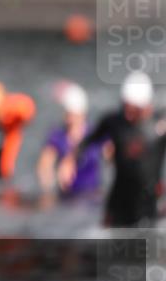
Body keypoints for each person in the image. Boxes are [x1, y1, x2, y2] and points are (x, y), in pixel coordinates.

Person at [60, 71, 166, 228]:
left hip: (149, 205)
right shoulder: (114, 122)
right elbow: (88, 141)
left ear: (146, 107)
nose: (128, 114)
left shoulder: (160, 125)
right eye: (125, 107)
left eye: (134, 110)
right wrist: (69, 160)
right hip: (118, 203)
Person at [35, 83, 105, 208]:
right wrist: (48, 190)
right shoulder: (57, 136)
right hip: (66, 197)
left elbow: (112, 154)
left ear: (82, 114)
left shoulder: (94, 135)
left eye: (73, 115)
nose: (70, 120)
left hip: (91, 196)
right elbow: (45, 165)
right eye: (68, 115)